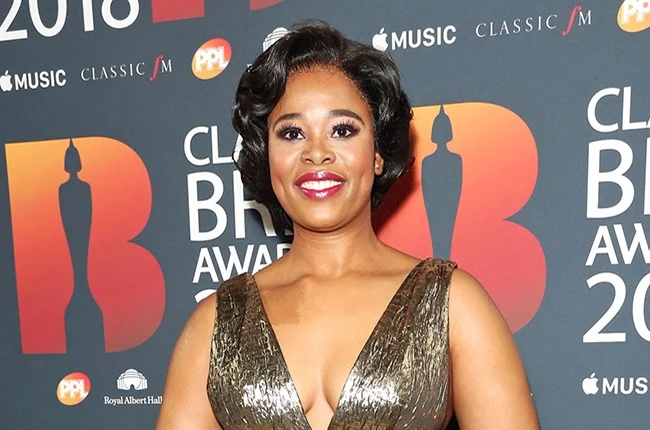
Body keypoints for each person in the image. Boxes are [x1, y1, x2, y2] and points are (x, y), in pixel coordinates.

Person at [157, 22, 539, 429]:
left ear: (377, 153)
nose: (316, 153)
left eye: (342, 130)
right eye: (292, 133)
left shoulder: (452, 305)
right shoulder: (217, 324)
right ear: (267, 156)